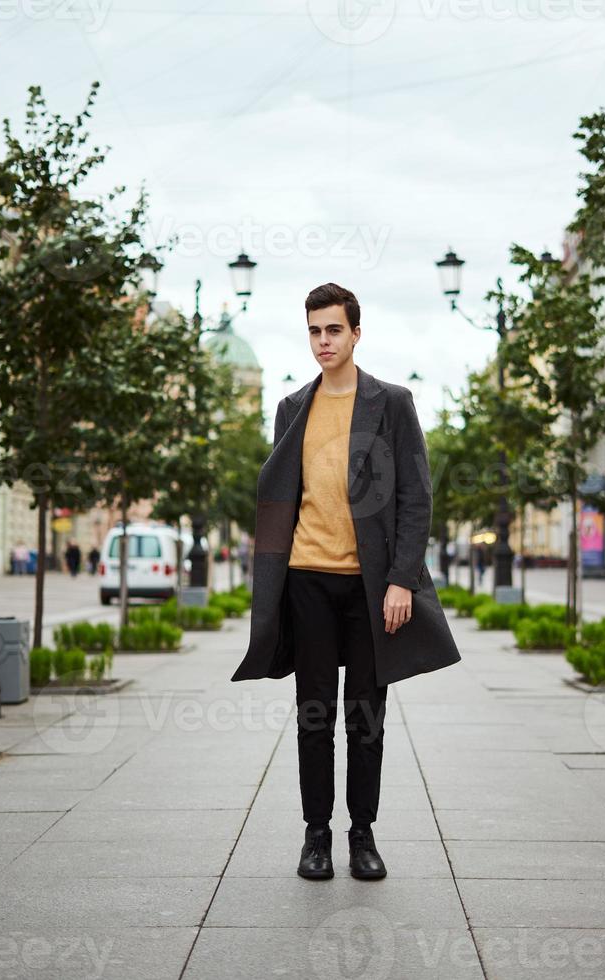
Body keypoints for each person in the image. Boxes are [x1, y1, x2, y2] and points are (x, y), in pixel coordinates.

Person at [230, 282, 462, 881]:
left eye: (334, 329)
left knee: (364, 716)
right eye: (314, 330)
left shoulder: (392, 403)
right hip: (306, 580)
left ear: (356, 333)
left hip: (369, 587)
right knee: (314, 716)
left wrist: (402, 579)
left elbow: (416, 496)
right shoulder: (291, 408)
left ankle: (362, 835)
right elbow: (284, 496)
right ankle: (316, 836)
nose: (323, 341)